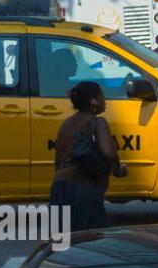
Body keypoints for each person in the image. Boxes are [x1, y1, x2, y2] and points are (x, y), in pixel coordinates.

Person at [49, 81, 124, 231]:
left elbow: (58, 161)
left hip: (60, 188)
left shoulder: (66, 123)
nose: (105, 101)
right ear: (93, 101)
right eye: (101, 96)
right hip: (83, 188)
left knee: (64, 240)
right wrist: (117, 169)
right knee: (92, 239)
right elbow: (109, 152)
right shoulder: (97, 122)